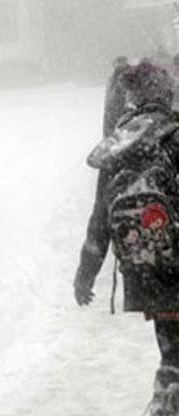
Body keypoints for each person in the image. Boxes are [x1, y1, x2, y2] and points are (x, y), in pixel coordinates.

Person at [73, 59, 179, 416]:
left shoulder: (119, 146)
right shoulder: (175, 134)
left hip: (148, 270)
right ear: (165, 92)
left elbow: (101, 216)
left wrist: (86, 270)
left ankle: (167, 393)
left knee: (171, 345)